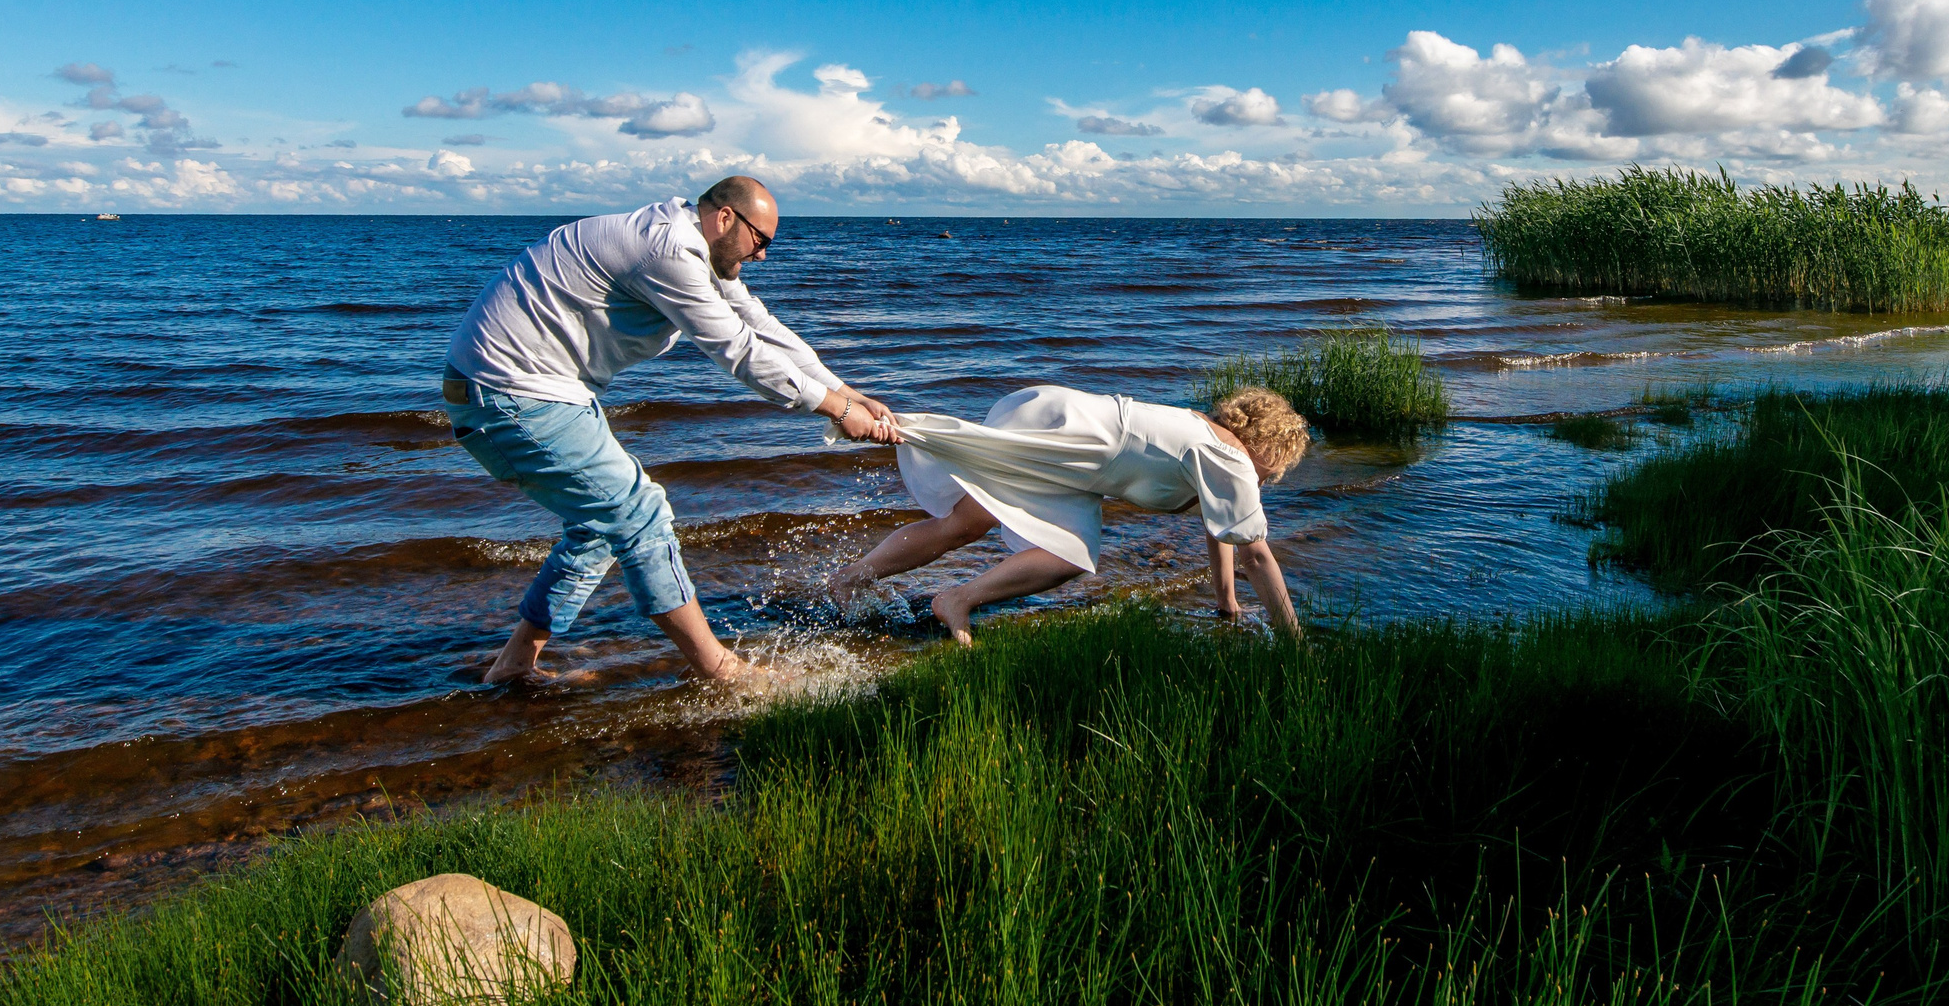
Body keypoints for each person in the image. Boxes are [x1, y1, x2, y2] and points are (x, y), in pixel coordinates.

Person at [442, 176, 898, 683]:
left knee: (600, 525)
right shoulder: (667, 251)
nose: (763, 256)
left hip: (540, 391)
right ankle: (718, 669)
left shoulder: (694, 247)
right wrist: (835, 411)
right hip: (511, 392)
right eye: (761, 241)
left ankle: (512, 667)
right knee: (638, 511)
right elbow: (739, 352)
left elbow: (757, 324)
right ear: (726, 218)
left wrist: (848, 392)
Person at [825, 384, 1308, 644]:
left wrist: (1227, 604)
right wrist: (1294, 640)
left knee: (966, 524)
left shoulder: (1205, 436)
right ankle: (957, 599)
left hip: (1063, 424)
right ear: (1269, 445)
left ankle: (851, 578)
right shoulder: (1233, 460)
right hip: (1078, 440)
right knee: (1072, 553)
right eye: (1278, 464)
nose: (1273, 476)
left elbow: (1222, 528)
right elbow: (1258, 557)